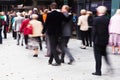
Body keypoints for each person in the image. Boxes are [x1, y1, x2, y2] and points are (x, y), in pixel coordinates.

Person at [92, 6, 112, 76]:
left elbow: (94, 31)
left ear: (99, 11)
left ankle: (98, 71)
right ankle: (109, 65)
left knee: (98, 56)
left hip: (97, 40)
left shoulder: (96, 19)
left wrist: (93, 39)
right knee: (104, 54)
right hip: (105, 39)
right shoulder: (107, 19)